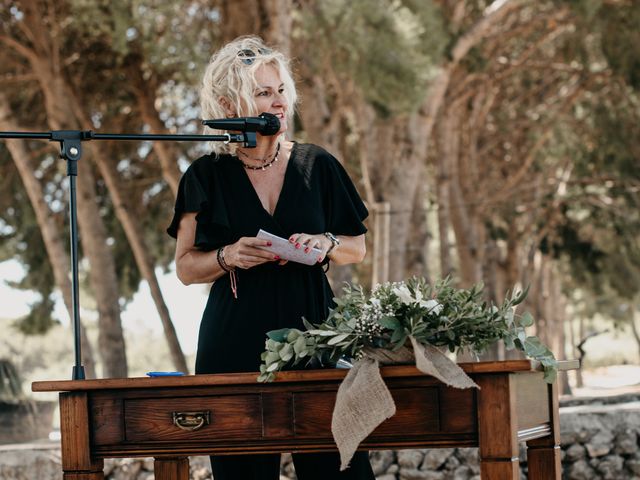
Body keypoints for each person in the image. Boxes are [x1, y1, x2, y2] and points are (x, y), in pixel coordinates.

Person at [167, 35, 374, 480]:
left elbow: (357, 247)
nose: (278, 102)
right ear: (228, 101)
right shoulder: (205, 175)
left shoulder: (318, 165)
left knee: (340, 469)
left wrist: (326, 243)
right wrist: (228, 255)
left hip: (317, 337)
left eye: (281, 90)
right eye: (263, 92)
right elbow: (185, 267)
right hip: (234, 343)